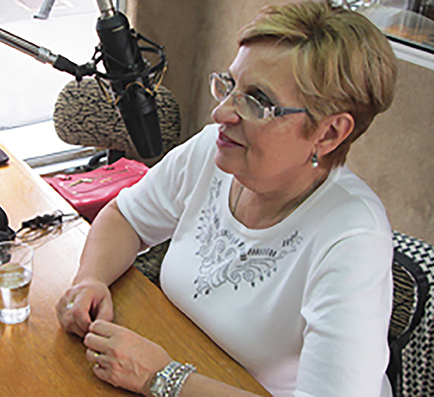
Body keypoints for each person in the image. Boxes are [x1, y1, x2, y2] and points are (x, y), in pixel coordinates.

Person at [55, 2, 398, 396]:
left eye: (256, 101)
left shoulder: (353, 236)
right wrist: (90, 279)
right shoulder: (215, 151)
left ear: (329, 133)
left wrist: (163, 378)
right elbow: (125, 217)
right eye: (230, 85)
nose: (221, 112)